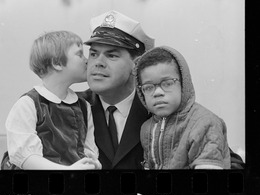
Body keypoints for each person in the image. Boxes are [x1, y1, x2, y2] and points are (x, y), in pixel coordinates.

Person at [78, 10, 245, 170]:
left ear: (136, 65)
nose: (98, 62)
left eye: (111, 55)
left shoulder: (163, 102)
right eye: (93, 54)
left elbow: (227, 160)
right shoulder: (70, 107)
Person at [3, 30, 101, 170]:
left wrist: (93, 163)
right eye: (79, 54)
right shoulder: (28, 104)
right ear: (57, 63)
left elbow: (89, 150)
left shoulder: (84, 106)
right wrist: (67, 170)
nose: (87, 60)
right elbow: (25, 157)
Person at [135, 46, 230, 169]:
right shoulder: (146, 128)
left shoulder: (205, 123)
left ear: (184, 84)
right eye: (148, 87)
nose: (157, 92)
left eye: (168, 83)